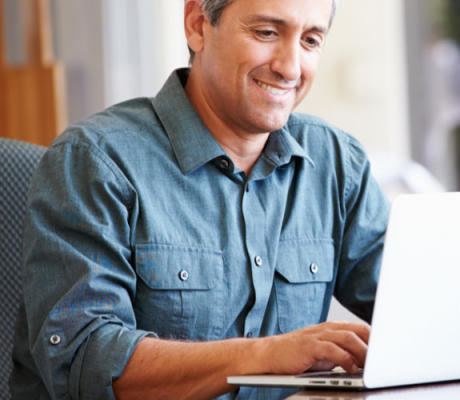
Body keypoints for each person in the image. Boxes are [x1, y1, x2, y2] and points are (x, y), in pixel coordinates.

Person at [10, 0, 390, 399]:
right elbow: (84, 361)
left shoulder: (337, 162)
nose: (291, 67)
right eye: (266, 33)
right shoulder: (96, 161)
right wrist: (267, 355)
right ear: (197, 25)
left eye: (311, 40)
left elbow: (419, 313)